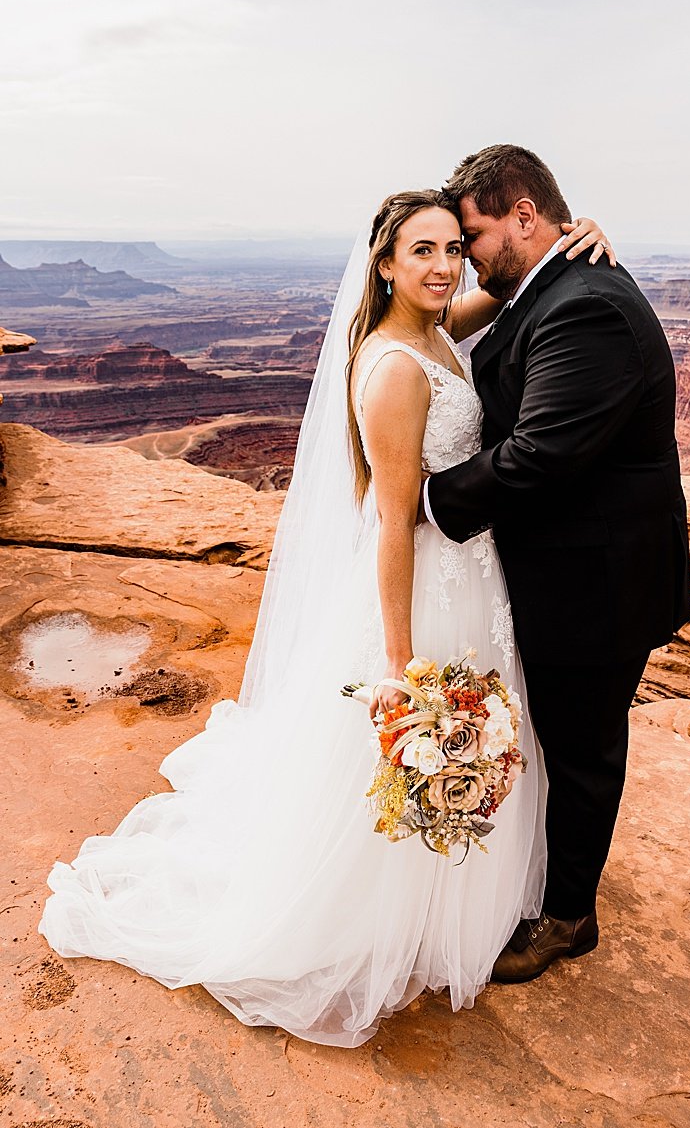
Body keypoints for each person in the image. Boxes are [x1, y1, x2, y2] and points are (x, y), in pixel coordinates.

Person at [39, 188, 612, 1046]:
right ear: (384, 262)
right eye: (422, 251)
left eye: (454, 248)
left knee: (471, 745)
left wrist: (571, 239)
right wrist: (399, 658)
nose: (445, 265)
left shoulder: (437, 329)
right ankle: (386, 918)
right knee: (417, 745)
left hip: (471, 575)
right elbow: (390, 522)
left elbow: (507, 281)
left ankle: (451, 894)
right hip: (423, 586)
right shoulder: (392, 367)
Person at [425, 144, 690, 983]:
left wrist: (430, 503)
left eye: (471, 238)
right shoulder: (552, 282)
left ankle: (569, 916)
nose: (464, 259)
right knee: (560, 740)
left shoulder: (586, 305)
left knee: (582, 748)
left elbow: (541, 453)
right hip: (568, 568)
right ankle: (546, 880)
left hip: (595, 581)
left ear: (525, 217)